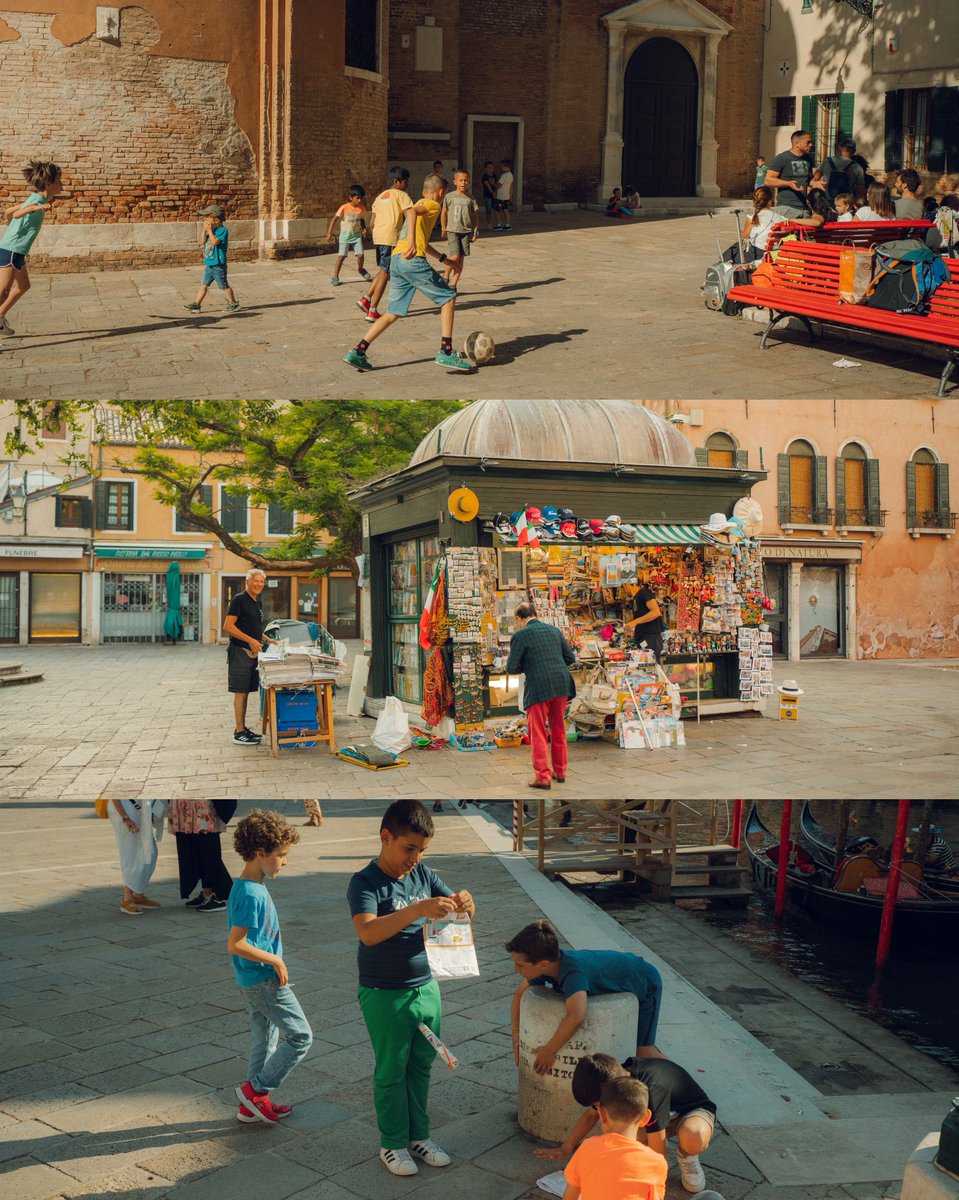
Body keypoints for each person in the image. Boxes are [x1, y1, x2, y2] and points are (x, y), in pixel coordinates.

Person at [347, 799, 475, 1177]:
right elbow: (368, 932)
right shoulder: (365, 882)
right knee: (391, 1069)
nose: (415, 858)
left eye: (421, 850)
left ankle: (419, 1136)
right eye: (409, 849)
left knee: (422, 1066)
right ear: (385, 837)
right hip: (385, 991)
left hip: (426, 985)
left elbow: (459, 913)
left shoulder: (424, 873)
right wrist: (418, 909)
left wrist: (466, 903)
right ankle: (391, 1142)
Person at [343, 174, 473, 373]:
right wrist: (412, 242)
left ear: (423, 191)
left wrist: (443, 260)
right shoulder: (434, 205)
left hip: (396, 260)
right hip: (411, 261)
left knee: (392, 312)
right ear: (441, 192)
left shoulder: (422, 202)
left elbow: (423, 241)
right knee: (448, 297)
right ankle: (446, 351)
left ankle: (358, 351)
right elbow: (410, 212)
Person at [228, 809, 310, 1124]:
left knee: (265, 1040)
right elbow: (236, 943)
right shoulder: (251, 894)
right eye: (282, 855)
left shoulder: (249, 886)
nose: (285, 861)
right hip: (263, 980)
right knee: (301, 1036)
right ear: (261, 853)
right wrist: (275, 959)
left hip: (253, 978)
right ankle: (256, 1090)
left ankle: (252, 1104)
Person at [537, 1053, 717, 1194]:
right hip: (658, 1116)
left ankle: (687, 1155)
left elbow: (658, 1158)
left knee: (692, 1135)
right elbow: (589, 1116)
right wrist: (566, 1147)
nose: (598, 1111)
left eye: (599, 1105)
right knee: (626, 1137)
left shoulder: (651, 1090)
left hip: (692, 1111)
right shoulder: (612, 1079)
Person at [507, 919, 665, 1073]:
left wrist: (550, 1050)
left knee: (643, 1051)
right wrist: (515, 1034)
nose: (515, 969)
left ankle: (684, 1087)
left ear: (543, 964)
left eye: (520, 965)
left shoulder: (573, 973)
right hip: (627, 969)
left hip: (645, 980)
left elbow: (576, 1015)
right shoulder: (548, 966)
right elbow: (519, 994)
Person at [506, 602, 576, 790]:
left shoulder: (520, 635)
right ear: (536, 614)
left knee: (537, 732)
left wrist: (529, 666)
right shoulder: (554, 630)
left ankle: (543, 776)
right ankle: (560, 771)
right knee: (558, 728)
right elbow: (571, 658)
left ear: (519, 619)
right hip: (561, 683)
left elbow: (511, 668)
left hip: (538, 686)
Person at [562, 1077, 668, 1200]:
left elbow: (570, 1197)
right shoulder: (656, 1162)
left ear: (602, 1114)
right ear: (645, 1118)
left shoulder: (587, 1148)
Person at [0, 160, 63, 337]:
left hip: (16, 250)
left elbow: (8, 212)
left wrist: (12, 224)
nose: (61, 186)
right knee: (3, 291)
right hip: (11, 250)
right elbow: (18, 213)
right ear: (49, 183)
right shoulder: (36, 200)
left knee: (23, 286)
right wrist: (35, 207)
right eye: (59, 182)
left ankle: (0, 316)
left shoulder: (35, 198)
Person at [223, 568, 277, 745]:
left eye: (262, 582)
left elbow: (253, 628)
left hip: (252, 655)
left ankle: (243, 729)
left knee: (246, 692)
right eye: (256, 581)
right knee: (240, 692)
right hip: (240, 652)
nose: (259, 584)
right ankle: (239, 732)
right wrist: (250, 640)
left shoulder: (257, 602)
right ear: (247, 582)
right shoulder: (239, 599)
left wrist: (266, 638)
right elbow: (228, 626)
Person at [358, 166, 412, 322]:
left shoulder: (380, 197)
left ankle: (366, 299)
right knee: (386, 273)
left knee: (383, 270)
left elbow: (372, 222)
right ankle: (372, 310)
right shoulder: (402, 195)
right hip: (391, 238)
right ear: (397, 182)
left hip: (380, 237)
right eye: (405, 181)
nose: (407, 184)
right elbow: (410, 216)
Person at [169, 798, 234, 912]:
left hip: (201, 807)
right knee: (194, 850)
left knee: (208, 848)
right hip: (185, 805)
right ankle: (207, 894)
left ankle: (218, 895)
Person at [109, 799, 164, 915]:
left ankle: (137, 895)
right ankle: (127, 897)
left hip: (140, 807)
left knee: (150, 852)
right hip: (124, 808)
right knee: (130, 852)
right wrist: (125, 817)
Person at [184, 204, 239, 314]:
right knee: (203, 284)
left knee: (224, 285)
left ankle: (233, 303)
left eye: (207, 218)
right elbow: (203, 241)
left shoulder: (223, 230)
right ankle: (197, 304)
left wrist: (209, 230)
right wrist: (204, 230)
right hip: (209, 264)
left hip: (218, 265)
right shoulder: (212, 230)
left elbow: (214, 242)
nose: (205, 220)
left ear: (216, 220)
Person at [440, 169, 479, 290]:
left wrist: (475, 230)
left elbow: (475, 215)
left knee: (461, 259)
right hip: (453, 230)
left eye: (466, 180)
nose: (463, 183)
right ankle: (445, 276)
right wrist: (443, 227)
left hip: (466, 231)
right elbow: (443, 212)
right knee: (455, 255)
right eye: (461, 180)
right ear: (455, 182)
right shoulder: (449, 196)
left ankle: (453, 284)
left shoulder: (471, 198)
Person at [326, 183, 371, 287]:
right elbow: (334, 219)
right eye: (357, 198)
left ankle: (360, 269)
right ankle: (335, 276)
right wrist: (329, 233)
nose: (359, 200)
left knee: (360, 255)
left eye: (361, 198)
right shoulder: (344, 207)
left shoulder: (362, 209)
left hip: (356, 237)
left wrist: (364, 229)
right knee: (341, 257)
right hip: (345, 237)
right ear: (351, 197)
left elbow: (361, 219)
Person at [764, 130, 816, 219]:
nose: (811, 145)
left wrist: (815, 183)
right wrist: (788, 183)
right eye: (808, 142)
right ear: (797, 144)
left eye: (811, 142)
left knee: (805, 233)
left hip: (805, 209)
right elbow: (768, 180)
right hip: (787, 208)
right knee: (789, 233)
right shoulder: (781, 158)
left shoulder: (808, 159)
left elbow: (809, 179)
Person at [816, 137, 865, 204]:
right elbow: (860, 189)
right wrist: (859, 203)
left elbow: (815, 177)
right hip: (846, 204)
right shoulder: (857, 167)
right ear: (853, 151)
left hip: (828, 200)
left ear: (839, 148)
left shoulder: (827, 161)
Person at [626, 582, 665, 661]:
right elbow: (640, 615)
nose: (623, 592)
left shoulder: (643, 592)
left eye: (622, 588)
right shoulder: (635, 599)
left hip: (651, 638)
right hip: (643, 639)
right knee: (644, 668)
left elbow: (656, 612)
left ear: (627, 584)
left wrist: (635, 622)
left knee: (649, 667)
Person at [494, 158, 514, 230]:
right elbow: (511, 187)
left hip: (500, 196)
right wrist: (510, 197)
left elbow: (499, 185)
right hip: (506, 196)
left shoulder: (504, 176)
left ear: (506, 167)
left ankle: (499, 225)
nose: (501, 167)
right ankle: (507, 225)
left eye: (501, 166)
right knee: (505, 210)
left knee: (496, 210)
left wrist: (494, 188)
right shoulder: (511, 175)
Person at [481, 161, 498, 229]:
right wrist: (492, 192)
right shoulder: (485, 176)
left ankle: (498, 223)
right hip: (488, 195)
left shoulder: (494, 175)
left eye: (491, 167)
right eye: (488, 168)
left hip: (495, 195)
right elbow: (487, 185)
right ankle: (488, 223)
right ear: (485, 168)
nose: (490, 169)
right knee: (489, 210)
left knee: (496, 209)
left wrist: (496, 192)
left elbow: (497, 185)